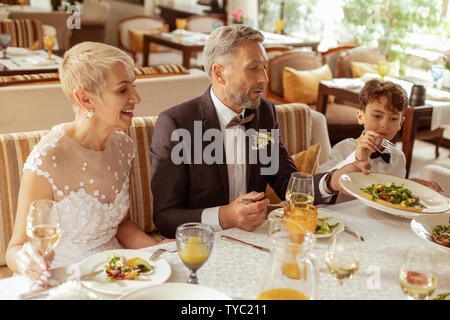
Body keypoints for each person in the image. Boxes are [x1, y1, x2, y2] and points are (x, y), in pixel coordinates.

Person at [150, 25, 370, 238]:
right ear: (219, 73)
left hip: (258, 238)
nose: (264, 78)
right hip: (203, 243)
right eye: (253, 68)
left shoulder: (264, 113)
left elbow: (285, 183)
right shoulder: (177, 124)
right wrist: (226, 216)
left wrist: (332, 181)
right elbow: (166, 218)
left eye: (264, 67)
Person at [6, 42, 169, 284]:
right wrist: (27, 261)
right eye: (123, 90)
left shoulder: (123, 146)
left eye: (133, 86)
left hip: (117, 273)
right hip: (64, 279)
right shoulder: (48, 158)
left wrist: (160, 251)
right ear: (85, 99)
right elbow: (15, 248)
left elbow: (121, 225)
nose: (136, 97)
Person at [319, 79, 442, 193]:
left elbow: (391, 192)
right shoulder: (344, 147)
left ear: (401, 123)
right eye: (377, 116)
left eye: (393, 118)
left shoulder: (398, 157)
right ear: (361, 117)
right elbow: (320, 187)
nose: (385, 124)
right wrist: (356, 157)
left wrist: (411, 186)